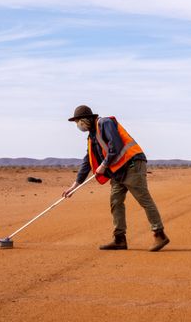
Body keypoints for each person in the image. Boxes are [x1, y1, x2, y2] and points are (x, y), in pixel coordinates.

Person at [63, 105, 170, 252]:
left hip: (132, 165)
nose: (78, 125)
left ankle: (160, 234)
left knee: (144, 199)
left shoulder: (105, 123)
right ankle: (119, 239)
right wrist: (74, 186)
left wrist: (104, 165)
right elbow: (87, 160)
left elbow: (116, 145)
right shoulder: (92, 136)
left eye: (78, 121)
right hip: (118, 171)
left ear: (86, 119)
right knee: (115, 202)